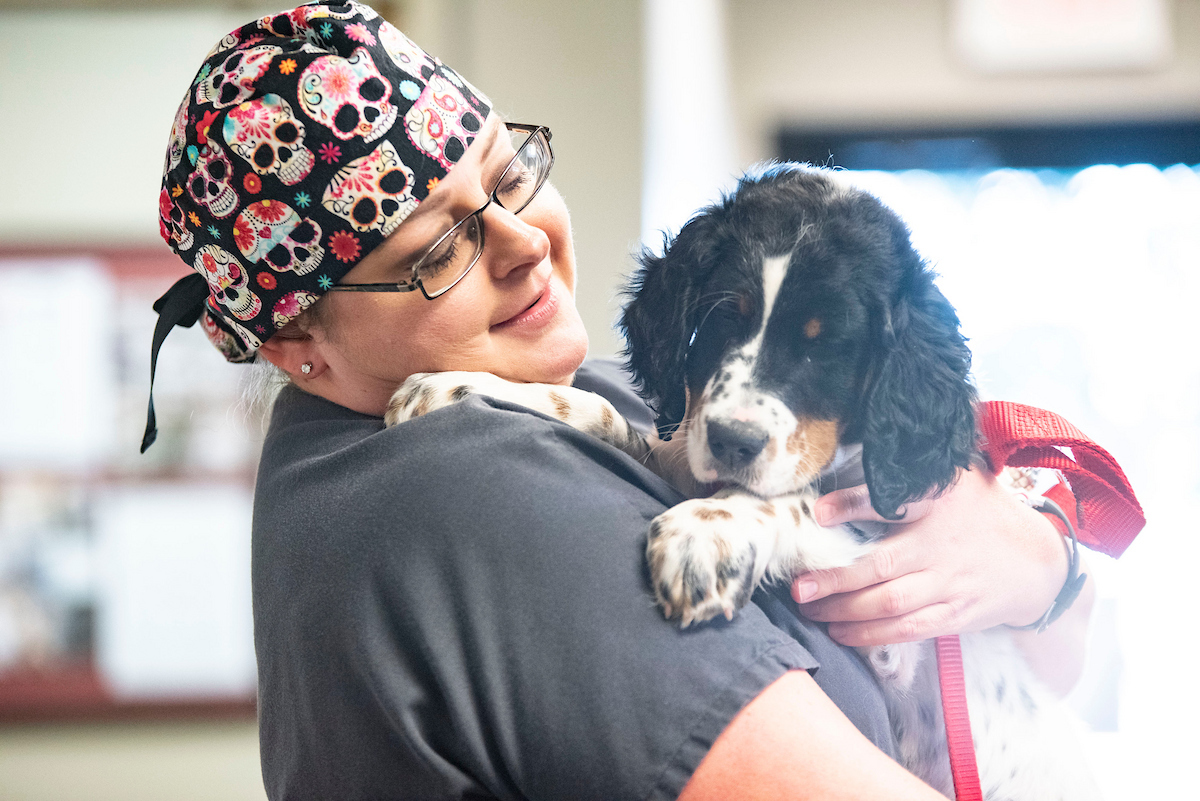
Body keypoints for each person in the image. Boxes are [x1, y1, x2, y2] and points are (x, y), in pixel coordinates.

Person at [146, 2, 1093, 798]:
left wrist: (1047, 568)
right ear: (295, 340)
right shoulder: (471, 497)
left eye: (509, 172)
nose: (521, 240)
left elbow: (1067, 656)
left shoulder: (423, 427)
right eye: (436, 251)